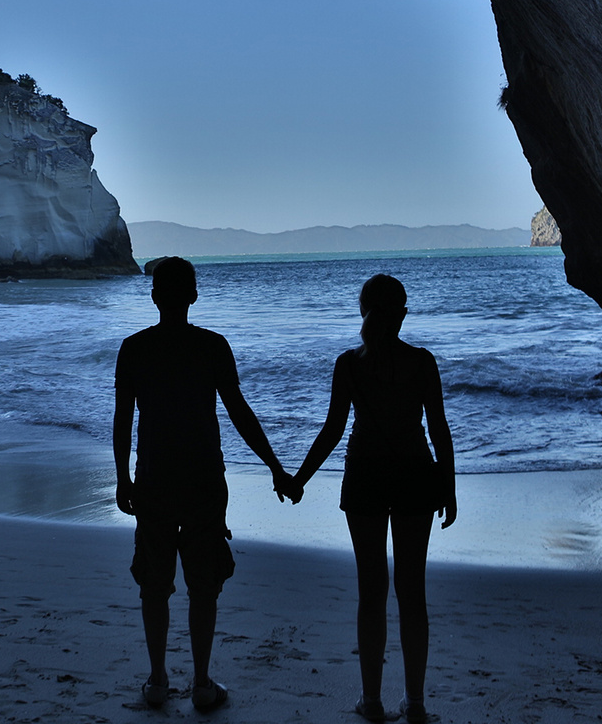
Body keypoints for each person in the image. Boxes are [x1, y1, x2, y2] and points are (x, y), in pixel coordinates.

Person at [113, 256, 300, 712]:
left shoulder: (134, 348)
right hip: (203, 482)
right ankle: (201, 682)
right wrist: (275, 466)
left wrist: (121, 477)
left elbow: (123, 421)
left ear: (155, 295)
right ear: (194, 295)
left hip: (154, 479)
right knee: (204, 584)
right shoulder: (212, 346)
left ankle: (158, 681)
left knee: (154, 584)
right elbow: (239, 413)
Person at [292, 274, 456, 724]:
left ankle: (372, 700)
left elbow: (331, 431)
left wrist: (298, 479)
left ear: (362, 311)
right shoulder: (422, 363)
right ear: (402, 313)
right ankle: (416, 703)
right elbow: (439, 431)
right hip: (415, 477)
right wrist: (449, 487)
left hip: (364, 477)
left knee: (371, 592)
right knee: (412, 592)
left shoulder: (349, 364)